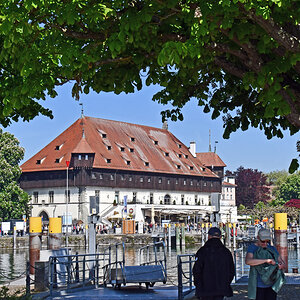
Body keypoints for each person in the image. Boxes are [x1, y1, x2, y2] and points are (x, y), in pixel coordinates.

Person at [193, 227, 235, 300]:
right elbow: (231, 271)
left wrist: (198, 284)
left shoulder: (202, 251)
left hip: (205, 288)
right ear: (220, 237)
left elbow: (196, 270)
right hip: (222, 288)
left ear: (209, 236)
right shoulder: (226, 252)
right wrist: (226, 283)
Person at [245, 228, 285, 300]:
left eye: (267, 241)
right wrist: (266, 260)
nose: (265, 243)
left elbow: (281, 262)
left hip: (271, 284)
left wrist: (281, 265)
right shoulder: (252, 248)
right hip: (258, 285)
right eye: (263, 241)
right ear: (258, 238)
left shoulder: (272, 248)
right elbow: (248, 261)